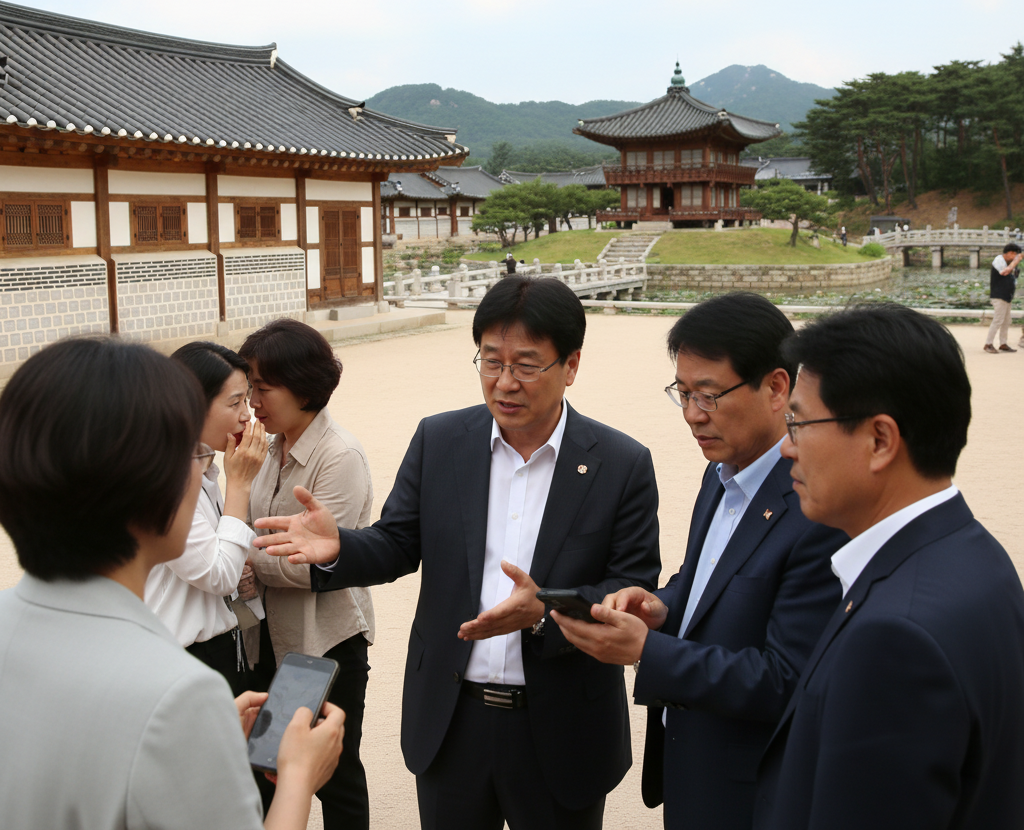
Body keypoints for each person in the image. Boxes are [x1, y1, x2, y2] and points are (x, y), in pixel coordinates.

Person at [253, 275, 661, 830]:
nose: (504, 383)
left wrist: (544, 611)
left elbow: (630, 586)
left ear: (571, 365)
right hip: (452, 718)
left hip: (562, 724)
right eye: (490, 362)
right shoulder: (441, 440)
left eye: (526, 364)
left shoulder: (620, 462)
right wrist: (339, 546)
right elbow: (397, 543)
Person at [0, 337, 344, 830]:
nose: (203, 467)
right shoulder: (177, 694)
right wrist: (297, 777)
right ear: (149, 489)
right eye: (193, 455)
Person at [552, 292, 847, 830]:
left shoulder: (815, 505)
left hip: (757, 790)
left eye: (708, 396)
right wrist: (661, 607)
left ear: (777, 387)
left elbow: (789, 678)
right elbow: (705, 580)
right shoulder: (722, 473)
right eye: (682, 393)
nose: (691, 415)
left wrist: (649, 652)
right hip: (694, 771)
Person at [754, 304, 1024, 830]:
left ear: (880, 440)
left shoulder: (893, 639)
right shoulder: (977, 556)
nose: (786, 447)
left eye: (799, 422)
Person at [240, 318, 374, 830]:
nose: (252, 399)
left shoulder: (339, 455)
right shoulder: (269, 446)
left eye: (262, 387)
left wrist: (243, 558)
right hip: (270, 637)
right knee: (265, 765)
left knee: (336, 776)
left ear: (301, 387)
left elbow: (317, 563)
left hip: (326, 642)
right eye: (250, 386)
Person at [145, 341, 269, 694]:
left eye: (246, 399)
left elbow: (218, 565)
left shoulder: (201, 467)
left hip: (217, 648)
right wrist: (241, 484)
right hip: (184, 658)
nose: (248, 414)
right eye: (235, 403)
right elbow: (216, 575)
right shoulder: (165, 478)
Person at [983, 242, 1022, 353]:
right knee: (998, 320)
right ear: (1010, 253)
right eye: (1014, 254)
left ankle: (1003, 343)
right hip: (998, 295)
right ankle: (988, 344)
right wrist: (1016, 261)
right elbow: (1004, 272)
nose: (1015, 257)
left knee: (1006, 321)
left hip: (1006, 296)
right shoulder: (999, 260)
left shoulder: (1008, 262)